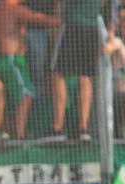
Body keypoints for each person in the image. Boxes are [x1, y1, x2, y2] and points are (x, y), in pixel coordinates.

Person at [0, 0, 60, 139]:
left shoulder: (0, 8)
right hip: (13, 60)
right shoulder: (11, 8)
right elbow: (39, 18)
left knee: (14, 100)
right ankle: (20, 136)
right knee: (26, 96)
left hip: (10, 60)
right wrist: (63, 21)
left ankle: (14, 133)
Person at [49, 0, 103, 141]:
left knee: (58, 73)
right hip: (92, 27)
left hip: (73, 24)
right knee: (84, 76)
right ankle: (83, 128)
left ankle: (57, 128)